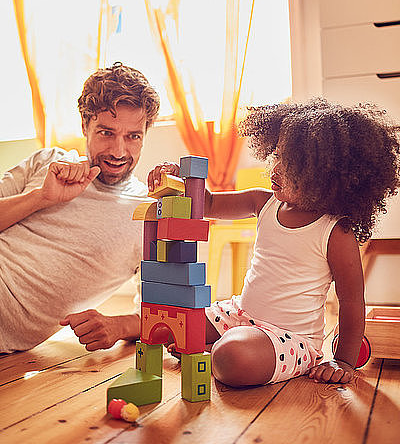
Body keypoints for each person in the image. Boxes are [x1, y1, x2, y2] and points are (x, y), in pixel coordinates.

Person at [148, 98, 400, 386]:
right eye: (277, 156)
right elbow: (208, 203)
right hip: (239, 314)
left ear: (326, 179)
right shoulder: (263, 202)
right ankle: (207, 345)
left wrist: (343, 361)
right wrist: (182, 177)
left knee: (232, 358)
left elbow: (352, 300)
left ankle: (212, 349)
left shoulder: (335, 232)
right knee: (173, 323)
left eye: (289, 166)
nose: (275, 169)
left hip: (290, 340)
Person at [0, 62, 160, 354]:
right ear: (85, 126)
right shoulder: (48, 162)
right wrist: (40, 198)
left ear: (145, 134)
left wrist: (119, 326)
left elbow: (167, 316)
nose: (118, 151)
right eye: (106, 133)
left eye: (133, 136)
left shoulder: (148, 215)